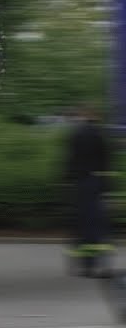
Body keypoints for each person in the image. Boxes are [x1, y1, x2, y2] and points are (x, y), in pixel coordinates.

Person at [63, 104, 115, 277]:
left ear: (84, 115)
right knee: (99, 225)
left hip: (81, 183)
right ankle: (104, 266)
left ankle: (86, 267)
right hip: (96, 182)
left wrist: (67, 180)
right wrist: (106, 186)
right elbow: (106, 161)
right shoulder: (100, 134)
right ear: (96, 116)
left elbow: (70, 159)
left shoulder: (76, 134)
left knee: (82, 224)